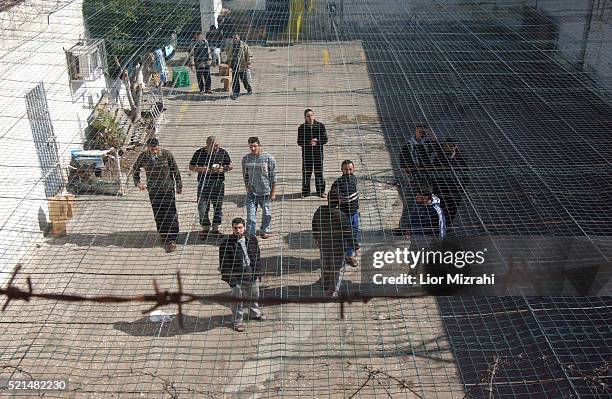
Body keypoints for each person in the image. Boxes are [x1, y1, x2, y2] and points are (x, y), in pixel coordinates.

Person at [133, 138, 182, 253]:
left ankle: (172, 238)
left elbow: (175, 170)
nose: (154, 151)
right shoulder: (143, 156)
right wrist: (138, 182)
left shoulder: (166, 154)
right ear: (148, 148)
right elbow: (135, 169)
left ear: (158, 147)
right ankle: (163, 235)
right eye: (152, 149)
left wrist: (179, 185)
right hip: (153, 190)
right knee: (158, 213)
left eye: (156, 149)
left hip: (167, 189)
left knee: (170, 213)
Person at [219, 217, 265, 332]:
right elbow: (224, 264)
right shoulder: (226, 244)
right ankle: (237, 321)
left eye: (240, 228)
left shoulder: (252, 239)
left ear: (244, 228)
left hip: (250, 271)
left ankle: (254, 313)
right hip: (236, 274)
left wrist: (257, 271)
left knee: (254, 294)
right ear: (232, 229)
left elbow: (257, 256)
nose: (238, 230)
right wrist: (232, 281)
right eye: (235, 228)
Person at [189, 136, 232, 238]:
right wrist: (202, 169)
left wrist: (223, 169)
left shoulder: (222, 152)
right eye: (215, 146)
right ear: (208, 145)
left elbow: (230, 165)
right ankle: (205, 227)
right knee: (202, 207)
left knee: (218, 207)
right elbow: (191, 167)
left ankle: (216, 229)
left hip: (218, 184)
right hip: (204, 184)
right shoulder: (199, 153)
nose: (217, 148)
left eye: (218, 145)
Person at [312, 205, 356, 294]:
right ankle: (332, 292)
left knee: (325, 264)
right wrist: (355, 247)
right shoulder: (341, 216)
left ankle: (324, 283)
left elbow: (314, 224)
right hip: (338, 248)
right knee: (336, 270)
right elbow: (349, 234)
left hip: (324, 245)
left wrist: (316, 237)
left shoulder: (320, 210)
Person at [242, 137, 277, 239]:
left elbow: (274, 176)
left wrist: (273, 192)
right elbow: (245, 175)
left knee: (267, 213)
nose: (253, 149)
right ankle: (251, 234)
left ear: (259, 145)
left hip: (266, 191)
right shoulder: (246, 159)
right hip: (252, 192)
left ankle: (265, 230)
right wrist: (247, 187)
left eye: (255, 146)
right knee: (250, 214)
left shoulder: (268, 158)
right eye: (250, 147)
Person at [431, 137, 470, 225]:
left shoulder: (461, 159)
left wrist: (461, 188)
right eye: (445, 146)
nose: (445, 148)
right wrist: (437, 186)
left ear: (454, 147)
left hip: (455, 190)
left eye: (448, 146)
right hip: (441, 189)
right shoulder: (439, 157)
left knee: (452, 209)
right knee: (439, 208)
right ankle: (438, 225)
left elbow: (466, 175)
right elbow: (433, 172)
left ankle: (447, 225)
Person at [328, 160, 360, 267]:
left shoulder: (354, 179)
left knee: (353, 233)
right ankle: (344, 255)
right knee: (344, 236)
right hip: (344, 215)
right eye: (346, 169)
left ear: (353, 169)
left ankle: (349, 255)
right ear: (341, 170)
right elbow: (331, 199)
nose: (348, 172)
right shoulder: (337, 183)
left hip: (354, 213)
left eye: (350, 169)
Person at [298, 109, 328, 198]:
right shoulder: (301, 128)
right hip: (307, 154)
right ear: (305, 117)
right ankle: (306, 191)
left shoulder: (320, 126)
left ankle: (320, 191)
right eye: (308, 116)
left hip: (318, 154)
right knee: (307, 173)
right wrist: (308, 142)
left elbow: (325, 139)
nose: (310, 117)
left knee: (319, 172)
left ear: (314, 116)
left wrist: (317, 141)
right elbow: (299, 141)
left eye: (311, 115)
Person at [225, 34, 253, 99]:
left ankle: (249, 89)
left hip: (241, 64)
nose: (234, 39)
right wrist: (228, 61)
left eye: (236, 38)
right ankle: (236, 92)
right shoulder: (230, 44)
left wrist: (248, 63)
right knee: (235, 78)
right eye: (233, 38)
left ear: (239, 38)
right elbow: (226, 51)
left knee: (244, 79)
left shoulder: (244, 45)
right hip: (234, 63)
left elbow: (249, 54)